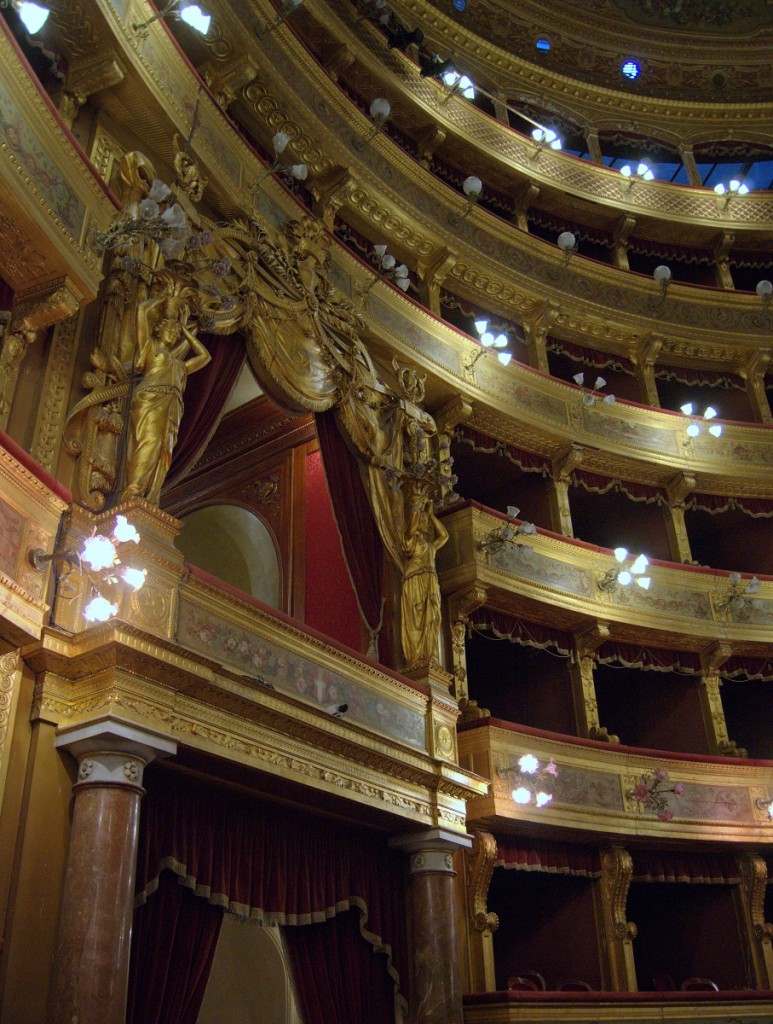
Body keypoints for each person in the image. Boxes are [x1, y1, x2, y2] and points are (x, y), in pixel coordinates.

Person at [122, 274, 210, 503]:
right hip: (150, 400)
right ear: (159, 330)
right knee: (148, 442)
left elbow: (205, 357)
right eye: (170, 330)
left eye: (176, 332)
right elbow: (141, 312)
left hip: (172, 408)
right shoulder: (150, 348)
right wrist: (161, 299)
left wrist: (186, 330)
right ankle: (132, 491)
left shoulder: (179, 365)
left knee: (164, 451)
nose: (174, 334)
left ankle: (150, 497)